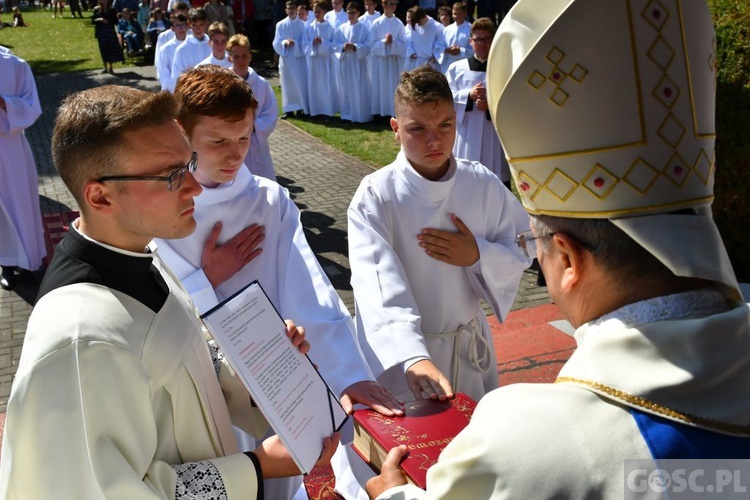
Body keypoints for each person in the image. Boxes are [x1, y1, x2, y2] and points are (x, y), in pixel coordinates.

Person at [366, 1, 750, 498]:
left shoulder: (524, 446)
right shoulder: (377, 193)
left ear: (567, 260)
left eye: (537, 244)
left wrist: (393, 494)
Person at [0, 84, 340, 498]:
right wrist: (255, 467)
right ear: (100, 195)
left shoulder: (144, 258)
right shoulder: (81, 340)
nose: (194, 187)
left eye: (189, 163)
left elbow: (179, 362)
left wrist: (254, 373)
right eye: (171, 175)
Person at [155, 65, 404, 499]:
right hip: (200, 389)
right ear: (182, 133)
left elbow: (308, 288)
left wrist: (346, 375)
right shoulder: (163, 207)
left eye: (244, 138)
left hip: (274, 384)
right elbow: (151, 296)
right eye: (218, 142)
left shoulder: (270, 200)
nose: (235, 155)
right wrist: (204, 279)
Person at [346, 65, 530, 498]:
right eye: (418, 128)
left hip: (467, 345)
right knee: (405, 467)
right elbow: (376, 282)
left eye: (445, 125)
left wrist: (478, 255)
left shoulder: (481, 182)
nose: (435, 140)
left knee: (473, 465)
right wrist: (412, 356)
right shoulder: (376, 195)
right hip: (402, 359)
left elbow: (525, 244)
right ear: (395, 128)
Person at [0, 50, 45, 291]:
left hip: (10, 147)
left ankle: (28, 263)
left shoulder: (15, 65)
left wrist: (4, 102)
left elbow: (32, 106)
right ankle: (5, 264)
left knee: (20, 205)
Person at [446, 17, 509, 186]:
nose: (482, 44)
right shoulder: (457, 69)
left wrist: (491, 106)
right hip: (466, 133)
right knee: (464, 182)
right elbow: (445, 97)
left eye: (487, 39)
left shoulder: (503, 69)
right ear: (470, 41)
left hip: (492, 134)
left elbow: (511, 101)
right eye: (478, 40)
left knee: (493, 182)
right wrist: (468, 95)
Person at [226, 34, 279, 181]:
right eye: (236, 56)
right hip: (231, 143)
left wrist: (252, 127)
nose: (241, 60)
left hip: (256, 145)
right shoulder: (224, 84)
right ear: (230, 58)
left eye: (244, 56)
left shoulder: (261, 84)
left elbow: (271, 112)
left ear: (250, 56)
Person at [334, 2, 371, 123]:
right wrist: (343, 47)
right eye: (349, 12)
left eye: (353, 12)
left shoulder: (364, 28)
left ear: (358, 13)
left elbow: (368, 45)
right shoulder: (341, 28)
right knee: (346, 88)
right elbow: (335, 45)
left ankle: (359, 115)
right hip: (345, 61)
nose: (350, 15)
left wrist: (355, 47)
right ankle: (346, 114)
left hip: (357, 62)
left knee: (358, 88)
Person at [368, 0, 406, 117]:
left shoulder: (399, 23)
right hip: (380, 61)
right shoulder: (376, 23)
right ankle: (379, 113)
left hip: (393, 61)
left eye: (395, 4)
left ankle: (392, 112)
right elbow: (372, 44)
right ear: (384, 5)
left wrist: (393, 43)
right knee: (380, 86)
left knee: (392, 86)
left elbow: (404, 45)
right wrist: (385, 42)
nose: (393, 6)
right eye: (391, 3)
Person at [272, 0, 309, 118]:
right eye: (289, 8)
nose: (291, 10)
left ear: (296, 9)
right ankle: (288, 109)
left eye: (293, 8)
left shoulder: (303, 25)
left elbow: (306, 42)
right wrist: (285, 42)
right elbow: (276, 42)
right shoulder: (280, 25)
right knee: (287, 83)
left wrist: (296, 44)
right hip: (287, 58)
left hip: (299, 59)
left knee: (299, 82)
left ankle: (299, 108)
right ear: (286, 10)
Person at [304, 1, 337, 119]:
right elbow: (304, 45)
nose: (316, 14)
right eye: (314, 12)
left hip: (325, 61)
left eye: (318, 11)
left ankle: (327, 111)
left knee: (325, 86)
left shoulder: (329, 27)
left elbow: (334, 45)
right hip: (314, 61)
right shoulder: (309, 27)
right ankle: (315, 110)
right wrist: (312, 43)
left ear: (324, 11)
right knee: (315, 85)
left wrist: (322, 43)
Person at [169, 7, 211, 90]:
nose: (198, 29)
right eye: (194, 25)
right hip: (191, 92)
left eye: (201, 24)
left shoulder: (213, 46)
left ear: (206, 24)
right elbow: (176, 77)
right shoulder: (182, 49)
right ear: (189, 25)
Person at [154, 1, 189, 80]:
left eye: (183, 14)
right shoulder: (163, 37)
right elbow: (159, 60)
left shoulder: (192, 35)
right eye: (178, 13)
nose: (180, 16)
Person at [402, 6, 440, 72]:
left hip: (430, 62)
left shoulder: (437, 27)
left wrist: (435, 54)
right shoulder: (415, 26)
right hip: (415, 63)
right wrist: (411, 52)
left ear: (423, 17)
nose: (418, 25)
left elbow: (440, 43)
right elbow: (408, 40)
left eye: (418, 22)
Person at [157, 12, 188, 89]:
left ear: (187, 26)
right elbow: (164, 75)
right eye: (177, 25)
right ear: (172, 28)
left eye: (183, 25)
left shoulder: (193, 45)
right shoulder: (165, 49)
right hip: (174, 89)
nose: (181, 28)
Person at [437, 1, 470, 72]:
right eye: (454, 14)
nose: (456, 16)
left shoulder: (470, 29)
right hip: (448, 65)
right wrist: (446, 50)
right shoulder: (447, 29)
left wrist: (460, 51)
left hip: (463, 65)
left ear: (465, 13)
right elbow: (438, 46)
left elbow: (473, 49)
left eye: (459, 14)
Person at [92, 0, 124, 73]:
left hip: (110, 31)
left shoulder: (112, 10)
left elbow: (116, 21)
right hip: (101, 32)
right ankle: (105, 66)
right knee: (103, 49)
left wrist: (108, 21)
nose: (104, 2)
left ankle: (111, 67)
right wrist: (100, 19)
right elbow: (93, 20)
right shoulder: (96, 9)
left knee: (110, 49)